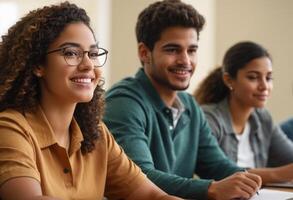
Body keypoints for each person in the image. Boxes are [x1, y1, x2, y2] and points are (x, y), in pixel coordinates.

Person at [0, 2, 183, 200]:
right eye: (71, 53)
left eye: (93, 54)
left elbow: (150, 195)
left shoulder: (95, 133)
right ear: (38, 64)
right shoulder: (10, 128)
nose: (88, 65)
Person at [103, 1, 261, 199]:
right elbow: (140, 179)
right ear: (144, 53)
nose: (185, 61)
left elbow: (217, 165)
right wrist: (210, 189)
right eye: (172, 50)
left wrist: (244, 180)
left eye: (192, 50)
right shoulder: (124, 103)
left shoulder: (190, 105)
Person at [194, 41, 293, 185]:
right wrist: (280, 174)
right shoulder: (209, 119)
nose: (264, 86)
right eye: (253, 77)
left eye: (269, 78)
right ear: (229, 80)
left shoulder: (262, 118)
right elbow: (219, 171)